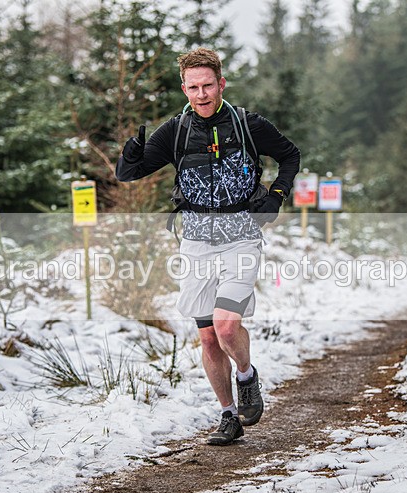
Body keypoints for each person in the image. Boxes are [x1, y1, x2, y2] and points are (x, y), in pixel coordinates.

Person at [116, 48, 300, 446]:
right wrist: (130, 155)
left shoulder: (247, 124)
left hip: (242, 235)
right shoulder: (176, 130)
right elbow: (130, 173)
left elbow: (289, 155)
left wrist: (277, 195)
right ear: (184, 88)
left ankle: (247, 376)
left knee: (226, 324)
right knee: (207, 338)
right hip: (196, 241)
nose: (201, 94)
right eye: (193, 87)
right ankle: (227, 415)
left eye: (208, 86)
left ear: (221, 83)